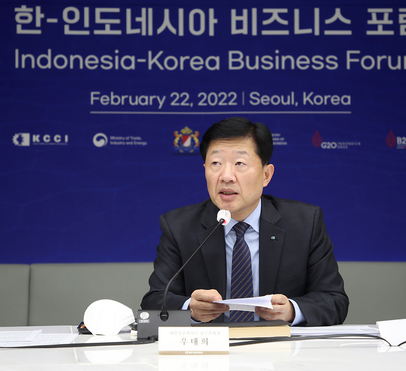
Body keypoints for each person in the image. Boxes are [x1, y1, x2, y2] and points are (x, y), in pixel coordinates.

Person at [140, 117, 348, 326]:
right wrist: (190, 310)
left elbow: (334, 301)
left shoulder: (305, 223)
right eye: (216, 163)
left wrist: (291, 311)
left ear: (266, 175)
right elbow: (154, 302)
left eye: (240, 163)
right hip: (211, 345)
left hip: (279, 345)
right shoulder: (179, 226)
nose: (226, 176)